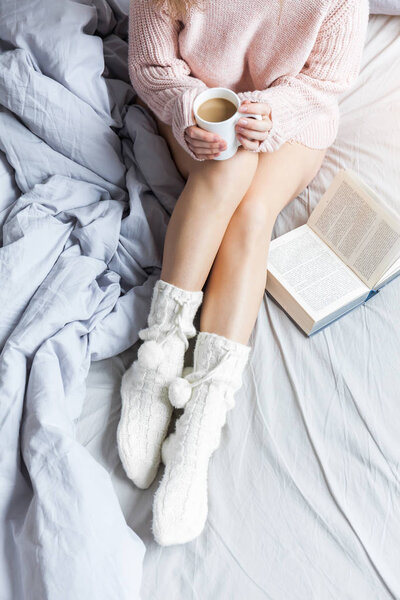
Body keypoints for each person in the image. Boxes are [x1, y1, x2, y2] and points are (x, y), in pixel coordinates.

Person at [117, 0, 369, 546]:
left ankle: (202, 421)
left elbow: (325, 82)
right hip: (200, 108)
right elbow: (153, 65)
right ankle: (157, 361)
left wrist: (270, 111)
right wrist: (188, 106)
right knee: (229, 167)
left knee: (253, 212)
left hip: (293, 117)